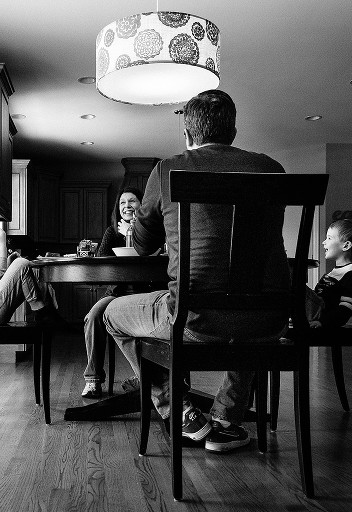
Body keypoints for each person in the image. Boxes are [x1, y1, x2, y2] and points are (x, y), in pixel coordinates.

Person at [103, 89, 290, 454]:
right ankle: (225, 421)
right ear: (233, 131)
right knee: (248, 311)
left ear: (188, 133)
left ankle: (180, 410)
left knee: (110, 313)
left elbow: (142, 245)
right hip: (268, 319)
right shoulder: (271, 167)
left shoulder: (170, 167)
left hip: (194, 320)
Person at [81, 186, 144, 398]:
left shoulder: (152, 231)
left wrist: (138, 233)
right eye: (123, 203)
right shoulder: (111, 232)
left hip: (145, 292)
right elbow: (101, 266)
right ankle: (93, 380)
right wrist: (121, 235)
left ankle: (147, 376)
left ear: (142, 205)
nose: (127, 206)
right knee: (93, 317)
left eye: (132, 201)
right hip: (116, 293)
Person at [306, 219, 352, 328]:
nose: (323, 242)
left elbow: (347, 308)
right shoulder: (336, 272)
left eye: (329, 238)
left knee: (291, 285)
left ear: (346, 246)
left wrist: (323, 322)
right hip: (315, 310)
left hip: (321, 315)